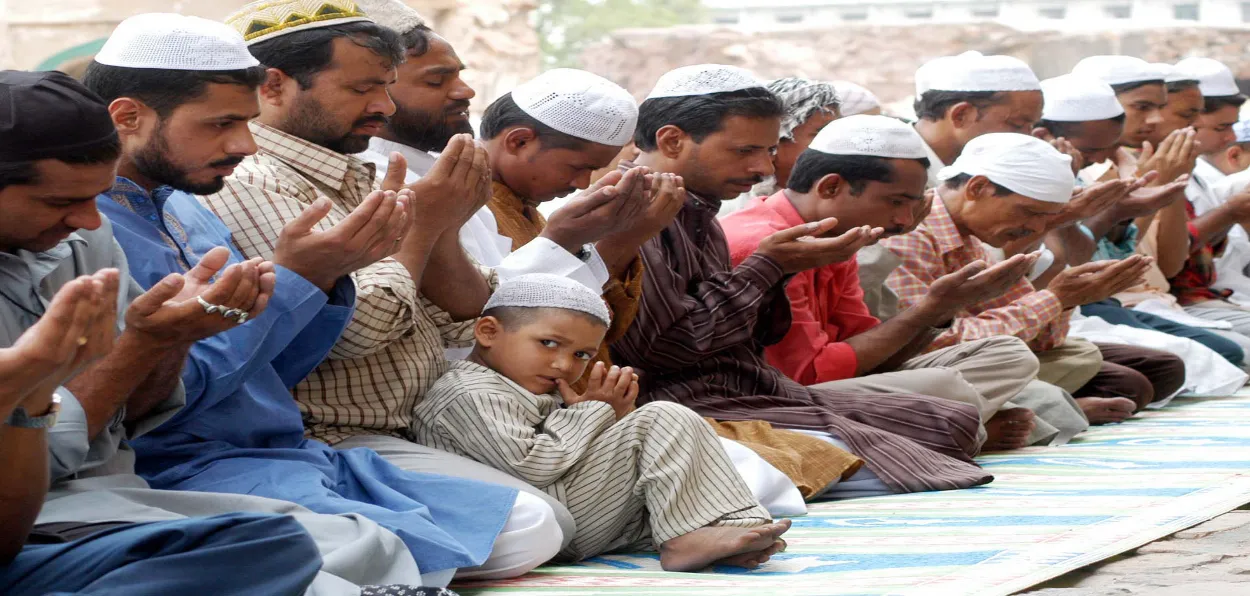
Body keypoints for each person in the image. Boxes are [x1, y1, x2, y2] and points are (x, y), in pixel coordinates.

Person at [87, 11, 562, 584]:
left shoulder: (185, 203)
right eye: (221, 124)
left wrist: (321, 276)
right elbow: (164, 398)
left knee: (535, 523)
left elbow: (277, 364)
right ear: (129, 116)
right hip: (189, 464)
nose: (242, 143)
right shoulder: (94, 227)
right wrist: (298, 277)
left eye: (244, 122)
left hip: (287, 453)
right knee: (368, 548)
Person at [0, 68, 435, 596]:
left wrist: (166, 340)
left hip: (114, 493)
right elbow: (34, 471)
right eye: (59, 203)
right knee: (280, 556)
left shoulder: (90, 239)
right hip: (39, 513)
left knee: (358, 547)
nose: (90, 221)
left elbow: (129, 418)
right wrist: (32, 384)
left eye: (96, 197)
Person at [612, 64, 991, 497]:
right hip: (687, 405)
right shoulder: (630, 212)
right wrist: (769, 266)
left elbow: (762, 339)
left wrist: (777, 269)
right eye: (745, 151)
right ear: (672, 140)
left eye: (769, 151)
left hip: (752, 391)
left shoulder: (698, 211)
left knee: (952, 424)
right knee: (913, 451)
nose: (761, 169)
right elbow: (671, 348)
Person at [722, 114, 1077, 451]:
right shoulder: (769, 244)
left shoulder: (842, 236)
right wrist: (929, 310)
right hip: (774, 399)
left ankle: (946, 425)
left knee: (1007, 355)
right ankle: (952, 429)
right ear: (831, 187)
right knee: (945, 386)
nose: (905, 221)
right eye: (895, 203)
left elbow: (871, 351)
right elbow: (808, 374)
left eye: (913, 206)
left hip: (833, 388)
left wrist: (938, 312)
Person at [415, 273, 791, 571]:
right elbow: (531, 467)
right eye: (548, 343)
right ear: (488, 332)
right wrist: (594, 411)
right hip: (538, 526)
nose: (564, 364)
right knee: (662, 416)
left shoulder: (519, 385)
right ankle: (689, 539)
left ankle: (728, 532)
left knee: (667, 443)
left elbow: (570, 457)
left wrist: (610, 422)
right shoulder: (468, 392)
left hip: (573, 514)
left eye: (581, 354)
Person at [883, 133, 1186, 423]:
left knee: (1089, 355)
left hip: (981, 362)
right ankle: (1048, 410)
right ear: (977, 188)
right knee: (1110, 379)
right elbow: (933, 344)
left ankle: (1039, 407)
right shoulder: (910, 236)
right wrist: (1055, 298)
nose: (1035, 227)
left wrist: (1065, 301)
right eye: (1030, 212)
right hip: (923, 368)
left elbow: (1042, 341)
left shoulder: (973, 239)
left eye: (1048, 217)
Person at [1032, 74, 1246, 369]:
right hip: (1097, 305)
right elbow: (1082, 266)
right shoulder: (1085, 170)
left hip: (1139, 302)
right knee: (1213, 358)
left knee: (1224, 354)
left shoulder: (1129, 163)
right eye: (1144, 107)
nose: (1155, 119)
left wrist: (1167, 186)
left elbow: (1167, 263)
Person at [912, 51, 1044, 187]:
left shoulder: (984, 168)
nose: (1028, 137)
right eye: (1017, 124)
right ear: (961, 115)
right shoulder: (895, 172)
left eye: (1031, 126)